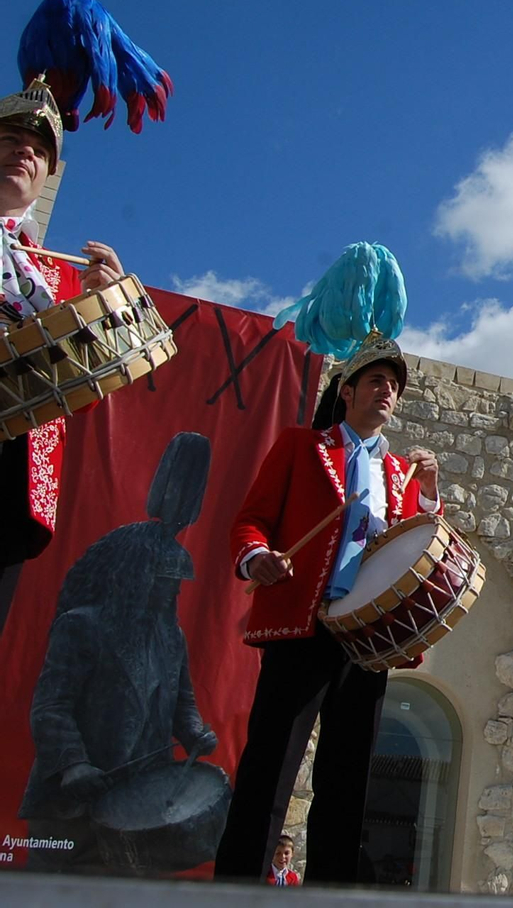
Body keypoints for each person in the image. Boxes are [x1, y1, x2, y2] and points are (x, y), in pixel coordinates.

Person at [213, 331, 438, 884]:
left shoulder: (401, 474)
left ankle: (331, 894)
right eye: (376, 381)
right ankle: (236, 891)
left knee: (349, 780)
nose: (386, 392)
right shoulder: (301, 446)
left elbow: (412, 552)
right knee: (270, 769)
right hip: (302, 625)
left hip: (368, 639)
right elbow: (251, 520)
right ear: (348, 390)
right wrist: (256, 557)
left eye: (394, 387)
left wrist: (429, 493)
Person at [18, 432, 216, 872]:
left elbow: (181, 702)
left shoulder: (171, 636)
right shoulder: (82, 626)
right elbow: (51, 707)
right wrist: (73, 765)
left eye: (175, 585)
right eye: (163, 582)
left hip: (136, 806)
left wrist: (194, 732)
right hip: (73, 805)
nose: (170, 593)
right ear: (136, 577)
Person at [0, 77, 125, 635]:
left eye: (41, 150)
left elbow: (83, 399)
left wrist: (105, 310)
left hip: (11, 483)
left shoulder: (54, 277)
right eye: (10, 138)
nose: (26, 151)